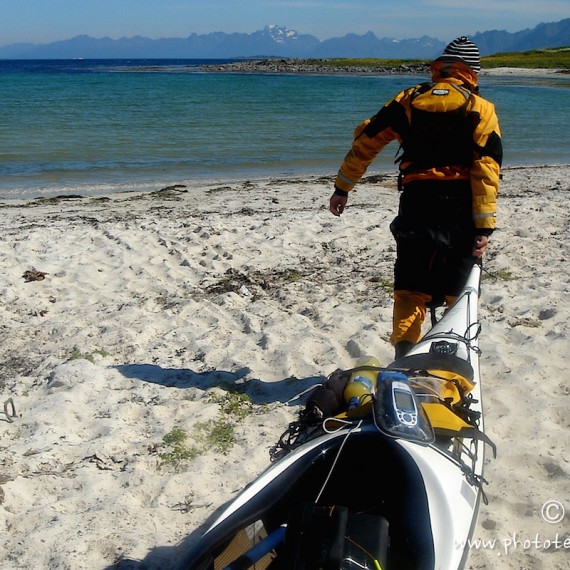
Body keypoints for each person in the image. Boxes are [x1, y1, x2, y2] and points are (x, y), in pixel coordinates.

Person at [329, 36, 502, 359]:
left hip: (417, 204)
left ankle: (404, 354)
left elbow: (366, 142)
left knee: (410, 287)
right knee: (458, 289)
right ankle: (452, 356)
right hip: (460, 210)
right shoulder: (481, 109)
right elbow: (486, 170)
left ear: (441, 67)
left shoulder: (408, 100)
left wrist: (343, 187)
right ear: (472, 72)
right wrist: (484, 226)